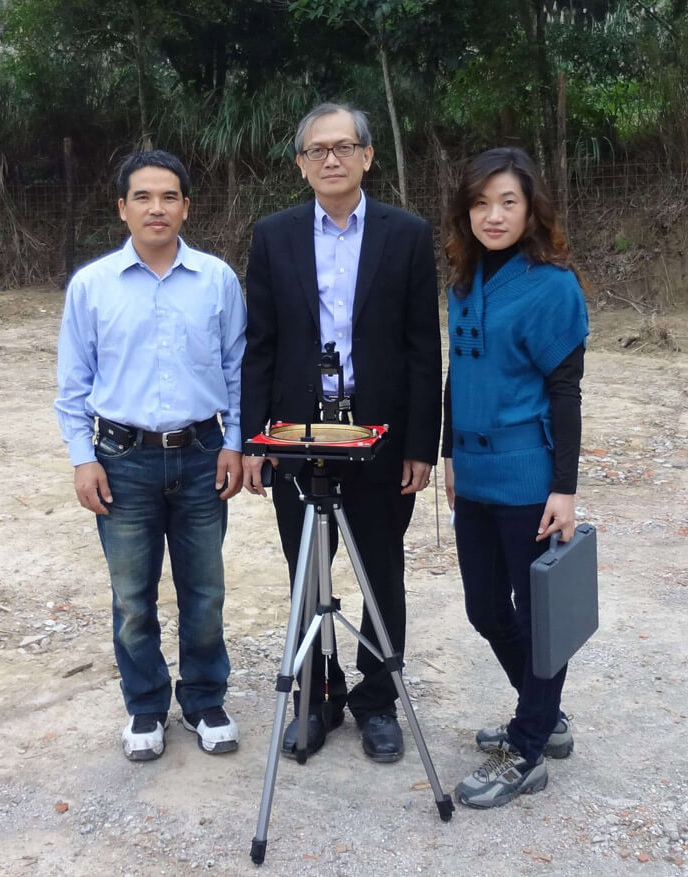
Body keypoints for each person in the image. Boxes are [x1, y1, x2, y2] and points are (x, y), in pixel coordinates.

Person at [241, 103, 441, 763]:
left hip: (378, 432)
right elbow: (261, 344)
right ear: (301, 163)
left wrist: (421, 444)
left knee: (380, 566)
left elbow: (421, 346)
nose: (331, 158)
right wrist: (252, 440)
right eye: (318, 149)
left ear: (367, 156)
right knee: (307, 570)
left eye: (344, 146)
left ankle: (377, 699)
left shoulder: (406, 233)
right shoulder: (273, 236)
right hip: (298, 433)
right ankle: (314, 694)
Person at [55, 149, 246, 762]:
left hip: (201, 454)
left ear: (187, 206)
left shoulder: (217, 280)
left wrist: (236, 443)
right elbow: (73, 384)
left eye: (169, 197)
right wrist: (83, 457)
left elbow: (239, 370)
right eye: (143, 197)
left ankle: (204, 699)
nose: (156, 208)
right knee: (132, 595)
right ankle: (144, 706)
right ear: (123, 208)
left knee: (205, 588)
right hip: (121, 459)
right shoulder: (91, 286)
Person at [439, 147, 588, 808]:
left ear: (531, 208)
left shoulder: (552, 284)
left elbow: (565, 390)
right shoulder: (464, 279)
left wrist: (564, 487)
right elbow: (458, 374)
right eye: (480, 202)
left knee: (540, 613)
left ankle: (527, 748)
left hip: (528, 475)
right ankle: (541, 708)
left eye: (507, 201)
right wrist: (447, 451)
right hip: (471, 472)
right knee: (484, 607)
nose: (492, 215)